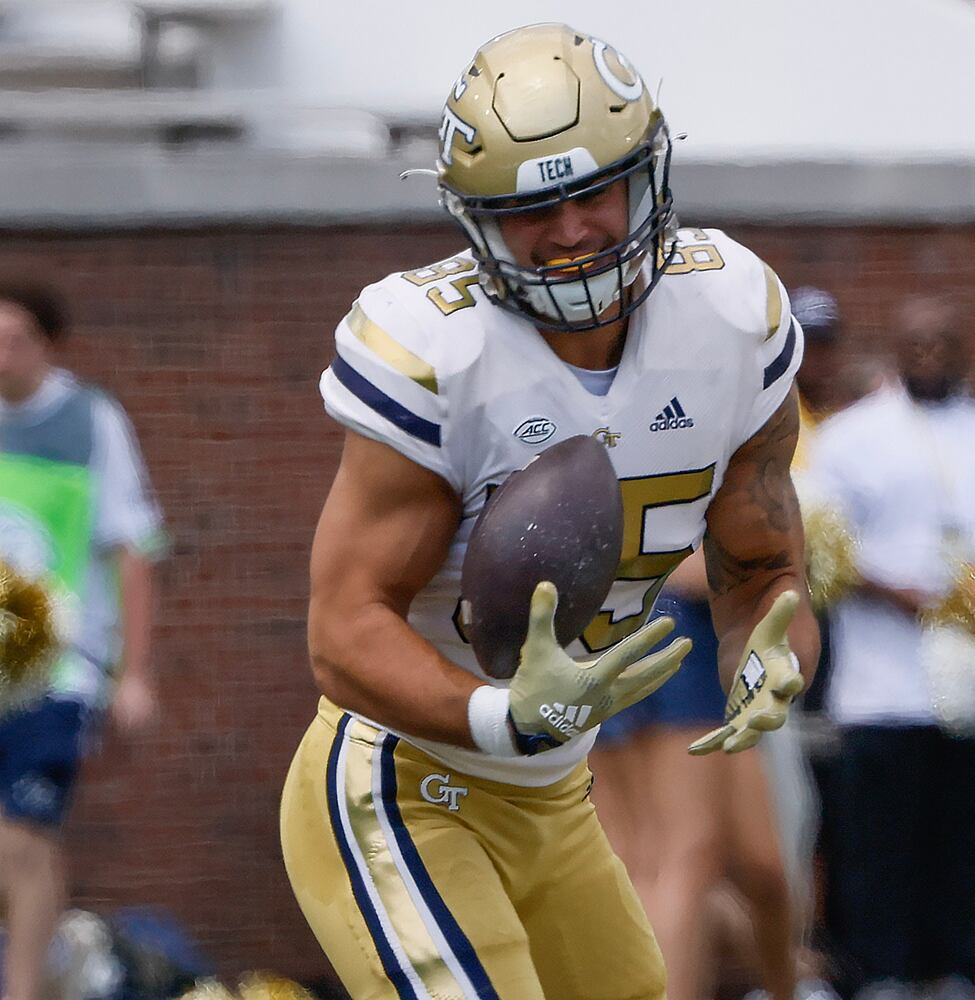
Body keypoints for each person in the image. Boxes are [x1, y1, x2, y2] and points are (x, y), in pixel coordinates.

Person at [280, 23, 819, 1000]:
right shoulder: (433, 348)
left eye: (589, 193)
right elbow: (340, 628)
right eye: (529, 209)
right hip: (405, 787)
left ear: (649, 179)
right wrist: (497, 715)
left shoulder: (734, 313)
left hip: (556, 800)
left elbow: (760, 565)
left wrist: (770, 655)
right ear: (474, 220)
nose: (569, 230)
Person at [0, 283, 164, 1000]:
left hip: (60, 670)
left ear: (48, 344)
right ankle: (62, 966)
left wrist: (135, 673)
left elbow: (132, 549)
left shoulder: (90, 421)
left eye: (15, 339)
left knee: (18, 840)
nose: (1, 355)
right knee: (27, 851)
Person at [809, 293, 975, 1000]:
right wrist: (904, 593)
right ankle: (881, 974)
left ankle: (956, 970)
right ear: (896, 348)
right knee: (878, 844)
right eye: (917, 344)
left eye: (942, 343)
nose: (929, 355)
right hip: (879, 687)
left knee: (959, 844)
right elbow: (821, 545)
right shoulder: (850, 437)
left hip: (963, 688)